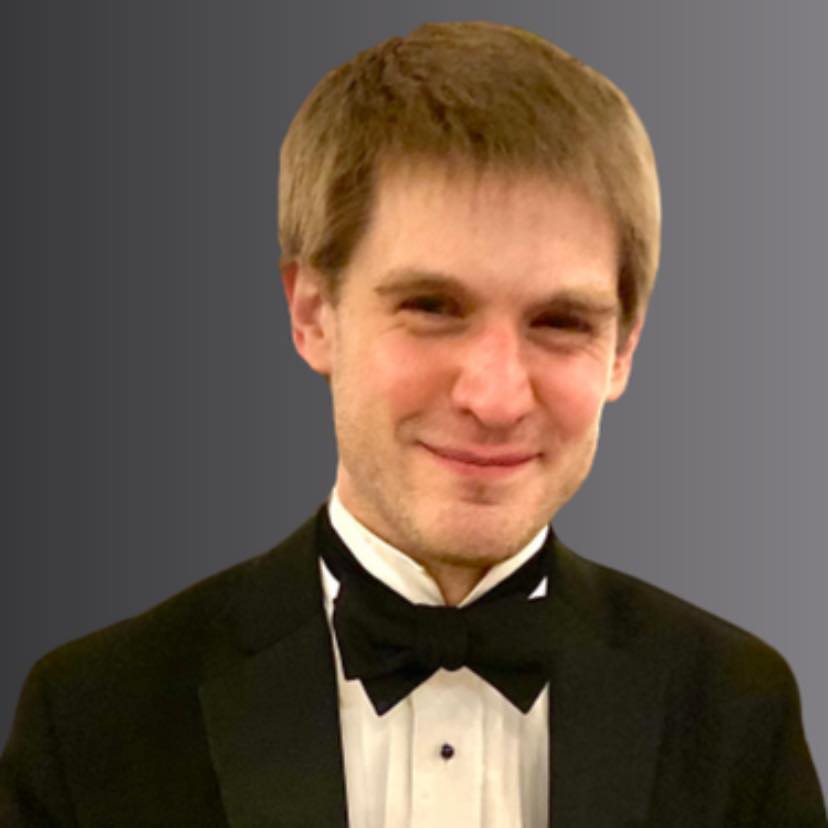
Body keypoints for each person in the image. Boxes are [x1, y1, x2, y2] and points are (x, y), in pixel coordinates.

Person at [1, 20, 824, 827]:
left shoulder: (738, 713)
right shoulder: (93, 719)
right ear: (313, 312)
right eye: (432, 306)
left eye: (560, 322)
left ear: (623, 350)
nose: (496, 398)